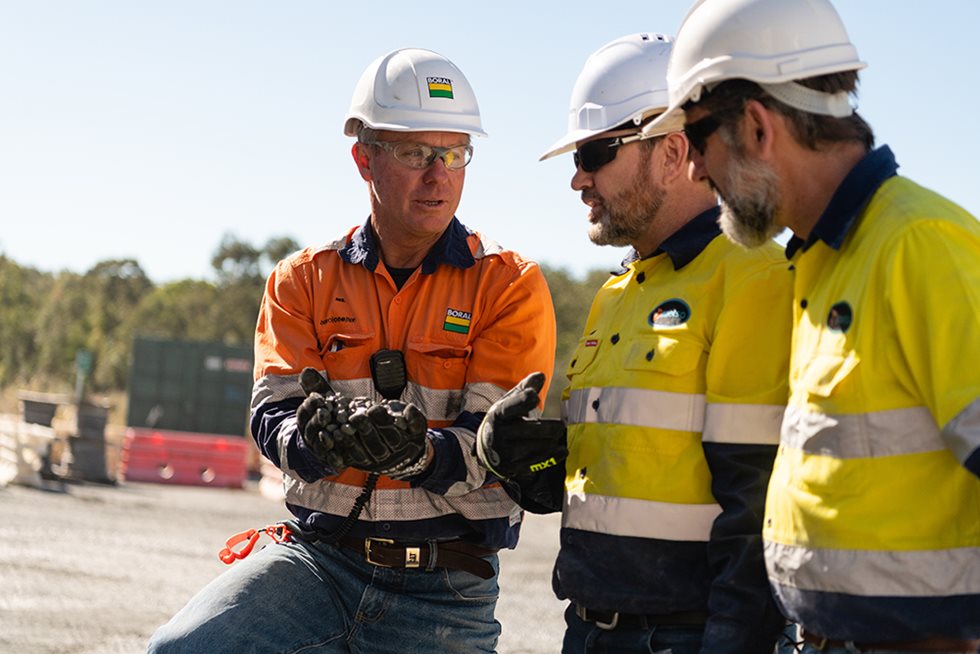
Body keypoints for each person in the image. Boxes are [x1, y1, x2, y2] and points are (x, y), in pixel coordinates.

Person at [148, 47, 556, 653]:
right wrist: (309, 441)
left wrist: (417, 456)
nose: (438, 175)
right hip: (317, 567)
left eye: (454, 154)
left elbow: (493, 447)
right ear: (364, 158)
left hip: (445, 590)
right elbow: (272, 415)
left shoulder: (508, 285)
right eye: (418, 154)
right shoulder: (303, 281)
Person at [643, 0, 980, 651]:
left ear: (760, 126)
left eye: (701, 137)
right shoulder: (822, 261)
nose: (692, 169)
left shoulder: (921, 244)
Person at [475, 33, 793, 654]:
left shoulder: (754, 276)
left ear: (673, 152)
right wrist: (533, 466)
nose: (578, 179)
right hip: (590, 630)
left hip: (687, 638)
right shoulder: (617, 291)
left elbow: (757, 506)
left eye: (595, 153)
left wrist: (734, 642)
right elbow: (634, 469)